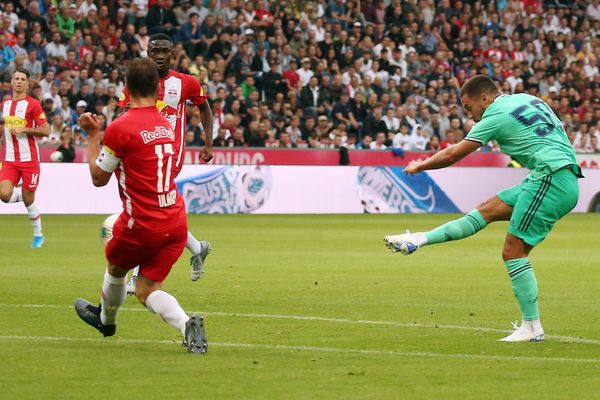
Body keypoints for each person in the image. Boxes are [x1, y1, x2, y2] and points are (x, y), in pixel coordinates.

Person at [384, 75, 583, 342]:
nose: (470, 115)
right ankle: (418, 239)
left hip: (551, 177)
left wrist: (420, 165)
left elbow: (453, 154)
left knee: (513, 252)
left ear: (484, 98)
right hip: (557, 174)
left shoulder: (495, 115)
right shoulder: (527, 98)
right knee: (487, 209)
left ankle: (532, 327)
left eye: (469, 107)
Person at [74, 58, 207, 354]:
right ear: (158, 89)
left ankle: (106, 321)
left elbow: (98, 178)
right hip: (175, 221)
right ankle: (188, 325)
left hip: (142, 224)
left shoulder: (121, 128)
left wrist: (93, 135)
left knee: (116, 269)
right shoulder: (165, 124)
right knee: (147, 289)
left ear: (127, 87)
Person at [115, 33, 214, 291]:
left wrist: (208, 142)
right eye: (155, 50)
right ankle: (197, 247)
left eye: (164, 51)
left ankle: (137, 277)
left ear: (173, 54)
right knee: (156, 212)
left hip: (169, 155)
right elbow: (121, 113)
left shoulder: (185, 83)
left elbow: (204, 107)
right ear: (148, 53)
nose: (160, 55)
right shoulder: (138, 83)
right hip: (141, 154)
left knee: (149, 211)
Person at [0, 68, 50, 248]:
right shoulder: (4, 105)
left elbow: (46, 130)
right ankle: (25, 194)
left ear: (27, 83)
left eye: (23, 79)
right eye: (16, 78)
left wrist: (25, 129)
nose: (19, 81)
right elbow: (4, 129)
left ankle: (38, 235)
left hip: (30, 159)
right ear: (11, 82)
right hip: (10, 158)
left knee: (29, 198)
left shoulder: (33, 105)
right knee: (4, 195)